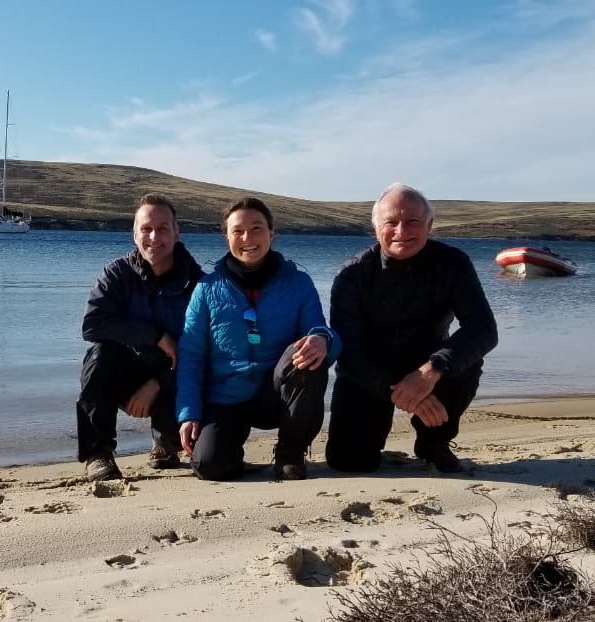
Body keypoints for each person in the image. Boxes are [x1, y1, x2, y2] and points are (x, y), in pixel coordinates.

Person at [325, 183, 498, 474]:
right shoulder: (351, 275)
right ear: (376, 227)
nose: (401, 231)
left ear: (429, 225)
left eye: (412, 222)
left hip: (430, 366)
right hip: (369, 372)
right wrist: (403, 390)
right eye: (390, 222)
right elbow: (350, 352)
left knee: (465, 358)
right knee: (349, 462)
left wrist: (431, 371)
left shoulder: (453, 263)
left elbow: (483, 329)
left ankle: (433, 442)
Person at [176, 197, 340, 481]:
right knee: (210, 467)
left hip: (275, 394)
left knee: (305, 352)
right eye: (238, 230)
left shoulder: (298, 283)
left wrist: (323, 339)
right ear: (227, 236)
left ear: (271, 233)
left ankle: (290, 453)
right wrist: (189, 412)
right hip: (226, 396)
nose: (247, 238)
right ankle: (229, 451)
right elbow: (191, 356)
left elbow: (319, 329)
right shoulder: (207, 288)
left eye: (256, 228)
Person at [77, 193, 206, 481]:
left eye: (162, 229)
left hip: (176, 378)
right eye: (146, 229)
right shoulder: (117, 273)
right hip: (129, 372)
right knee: (100, 355)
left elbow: (203, 353)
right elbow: (92, 324)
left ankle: (165, 446)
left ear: (176, 233)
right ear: (135, 234)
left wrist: (157, 383)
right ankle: (98, 453)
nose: (153, 236)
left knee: (186, 448)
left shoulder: (199, 284)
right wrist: (156, 336)